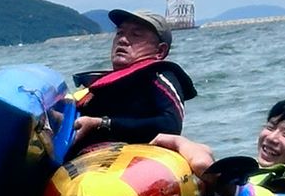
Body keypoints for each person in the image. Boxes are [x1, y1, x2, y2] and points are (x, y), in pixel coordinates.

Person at [154, 94, 285, 196]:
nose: (272, 137)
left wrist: (180, 142)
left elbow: (210, 172)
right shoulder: (252, 176)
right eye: (270, 127)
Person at [69, 9, 197, 153]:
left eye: (136, 35)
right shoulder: (98, 87)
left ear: (160, 51)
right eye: (120, 33)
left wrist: (102, 123)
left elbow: (171, 126)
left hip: (133, 156)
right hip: (84, 159)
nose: (123, 40)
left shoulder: (159, 75)